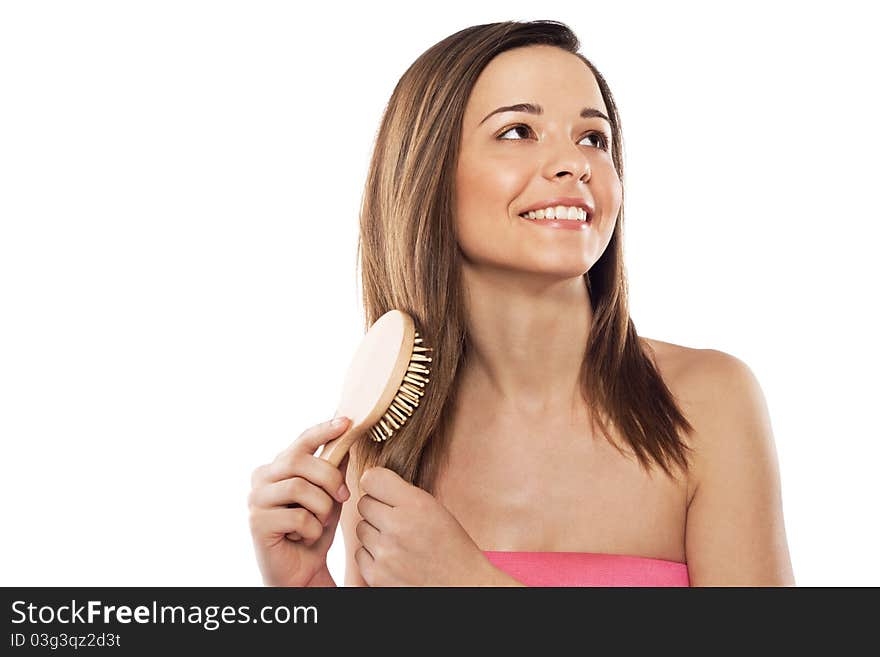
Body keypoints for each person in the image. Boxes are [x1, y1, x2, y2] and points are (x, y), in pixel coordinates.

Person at [248, 20, 795, 587]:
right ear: (428, 172)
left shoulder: (707, 405)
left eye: (593, 138)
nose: (573, 163)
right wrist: (303, 588)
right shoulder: (393, 439)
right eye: (517, 131)